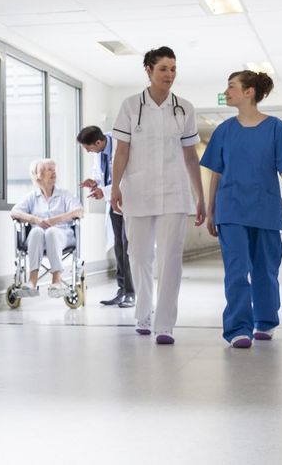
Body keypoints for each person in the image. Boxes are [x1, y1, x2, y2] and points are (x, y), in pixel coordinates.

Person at [110, 46, 206, 345]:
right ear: (148, 70)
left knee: (170, 258)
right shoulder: (129, 106)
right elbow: (122, 150)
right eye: (163, 68)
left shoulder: (185, 108)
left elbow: (191, 157)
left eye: (174, 69)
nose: (170, 74)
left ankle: (165, 324)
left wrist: (200, 196)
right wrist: (115, 187)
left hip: (175, 192)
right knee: (138, 256)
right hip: (138, 191)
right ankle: (143, 313)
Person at [200, 70, 282, 349]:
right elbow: (216, 175)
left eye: (232, 87)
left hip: (265, 207)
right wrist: (211, 211)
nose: (227, 91)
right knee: (236, 269)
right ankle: (237, 328)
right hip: (231, 209)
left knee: (265, 269)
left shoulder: (275, 128)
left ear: (249, 92)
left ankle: (265, 321)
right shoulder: (224, 131)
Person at [9, 159, 84, 298]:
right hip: (37, 239)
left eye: (54, 169)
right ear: (38, 175)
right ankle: (32, 280)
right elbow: (14, 212)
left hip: (62, 235)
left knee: (51, 231)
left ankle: (57, 280)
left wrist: (54, 220)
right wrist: (36, 220)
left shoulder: (64, 195)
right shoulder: (32, 197)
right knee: (37, 230)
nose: (54, 172)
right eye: (49, 169)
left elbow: (79, 212)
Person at [78, 126, 134, 308]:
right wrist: (95, 183)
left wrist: (105, 190)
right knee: (118, 247)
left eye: (89, 148)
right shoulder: (100, 151)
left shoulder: (122, 145)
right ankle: (122, 290)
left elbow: (127, 177)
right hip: (114, 203)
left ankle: (131, 292)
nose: (88, 151)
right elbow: (104, 176)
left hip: (128, 201)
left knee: (128, 247)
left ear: (99, 142)